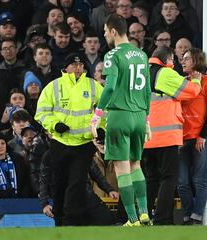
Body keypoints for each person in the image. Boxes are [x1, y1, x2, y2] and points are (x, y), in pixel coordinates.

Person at [91, 13, 151, 227]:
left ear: (113, 31)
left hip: (119, 115)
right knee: (136, 165)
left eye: (106, 31)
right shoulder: (141, 54)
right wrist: (147, 120)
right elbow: (147, 90)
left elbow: (110, 86)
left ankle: (133, 220)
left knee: (122, 168)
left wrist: (97, 114)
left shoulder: (112, 54)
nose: (105, 35)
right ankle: (144, 213)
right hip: (139, 115)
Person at [35, 52, 104, 226]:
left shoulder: (93, 85)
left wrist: (101, 127)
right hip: (61, 142)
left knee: (77, 183)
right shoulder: (54, 86)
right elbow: (41, 112)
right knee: (60, 183)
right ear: (65, 68)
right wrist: (54, 124)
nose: (78, 68)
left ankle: (74, 222)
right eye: (74, 65)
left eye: (81, 65)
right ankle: (59, 219)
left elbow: (106, 109)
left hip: (84, 143)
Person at [143, 46, 201, 225]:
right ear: (167, 60)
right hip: (165, 136)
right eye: (172, 61)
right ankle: (162, 219)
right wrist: (197, 81)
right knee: (169, 178)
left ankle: (143, 216)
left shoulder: (142, 73)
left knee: (150, 179)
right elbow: (190, 91)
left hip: (146, 137)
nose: (174, 64)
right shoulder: (165, 74)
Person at [178, 48, 207, 225]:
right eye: (183, 58)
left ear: (196, 60)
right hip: (182, 138)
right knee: (182, 181)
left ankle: (197, 217)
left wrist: (202, 136)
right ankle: (187, 216)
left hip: (201, 138)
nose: (183, 61)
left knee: (198, 179)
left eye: (187, 58)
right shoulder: (182, 82)